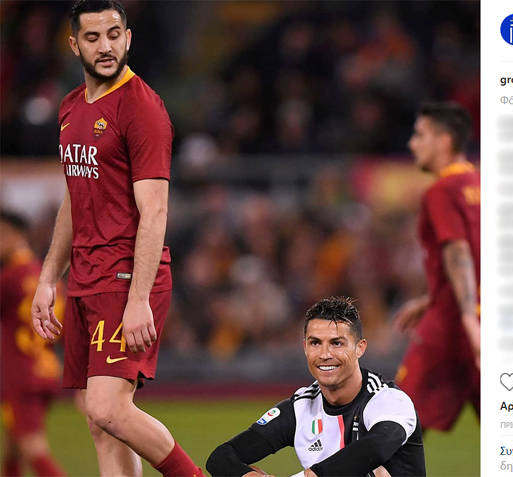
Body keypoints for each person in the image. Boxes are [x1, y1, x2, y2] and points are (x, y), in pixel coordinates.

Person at [30, 1, 203, 475]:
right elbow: (75, 198)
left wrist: (138, 298)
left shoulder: (141, 107)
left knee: (108, 408)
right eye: (92, 37)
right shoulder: (70, 107)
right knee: (99, 423)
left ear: (128, 38)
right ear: (74, 45)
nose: (105, 46)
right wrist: (48, 278)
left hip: (124, 276)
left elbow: (155, 209)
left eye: (113, 34)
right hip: (86, 278)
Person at [206, 296, 426, 477]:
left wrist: (312, 475)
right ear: (305, 347)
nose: (324, 354)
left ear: (360, 348)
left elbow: (376, 447)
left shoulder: (390, 400)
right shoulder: (301, 407)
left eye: (337, 343)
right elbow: (221, 457)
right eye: (315, 343)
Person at [394, 102, 480, 432]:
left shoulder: (442, 191)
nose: (412, 143)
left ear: (444, 141)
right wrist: (432, 298)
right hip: (480, 317)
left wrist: (467, 318)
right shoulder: (481, 185)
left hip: (452, 325)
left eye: (420, 135)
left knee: (395, 421)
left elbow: (458, 251)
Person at [1, 210, 67, 477]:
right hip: (46, 366)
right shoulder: (47, 278)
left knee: (32, 447)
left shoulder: (9, 278)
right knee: (13, 446)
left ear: (15, 236)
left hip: (20, 372)